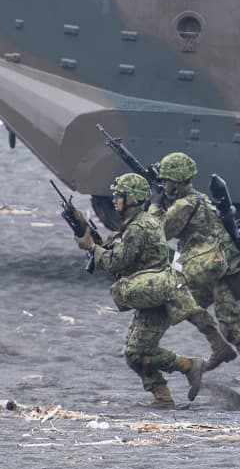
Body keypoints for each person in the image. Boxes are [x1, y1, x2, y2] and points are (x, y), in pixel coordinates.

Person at [74, 173, 205, 408]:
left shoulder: (139, 227)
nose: (115, 201)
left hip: (158, 298)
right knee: (135, 353)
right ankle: (163, 396)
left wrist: (92, 248)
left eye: (119, 196)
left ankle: (188, 366)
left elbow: (116, 262)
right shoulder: (137, 224)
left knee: (136, 352)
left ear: (133, 199)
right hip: (152, 295)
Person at [152, 152, 240, 385]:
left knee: (230, 327)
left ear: (176, 181)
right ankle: (219, 348)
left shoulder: (184, 206)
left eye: (166, 180)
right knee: (187, 306)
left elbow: (158, 234)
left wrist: (155, 205)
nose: (164, 184)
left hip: (222, 275)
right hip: (211, 269)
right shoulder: (201, 199)